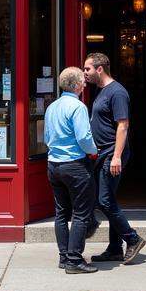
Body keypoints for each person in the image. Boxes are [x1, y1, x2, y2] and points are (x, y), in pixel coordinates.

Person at [83, 52, 146, 265]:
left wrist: (116, 156)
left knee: (105, 200)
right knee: (108, 198)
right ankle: (114, 248)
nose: (85, 73)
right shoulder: (99, 91)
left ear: (100, 69)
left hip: (112, 152)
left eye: (88, 69)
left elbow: (123, 125)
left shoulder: (117, 92)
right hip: (101, 152)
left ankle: (133, 239)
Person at [43, 66, 99, 274]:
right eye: (83, 81)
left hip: (54, 165)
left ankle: (64, 256)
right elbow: (84, 137)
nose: (85, 84)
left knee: (61, 213)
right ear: (76, 85)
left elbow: (47, 137)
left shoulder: (52, 107)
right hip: (75, 164)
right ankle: (74, 260)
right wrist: (94, 150)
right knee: (81, 214)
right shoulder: (78, 107)